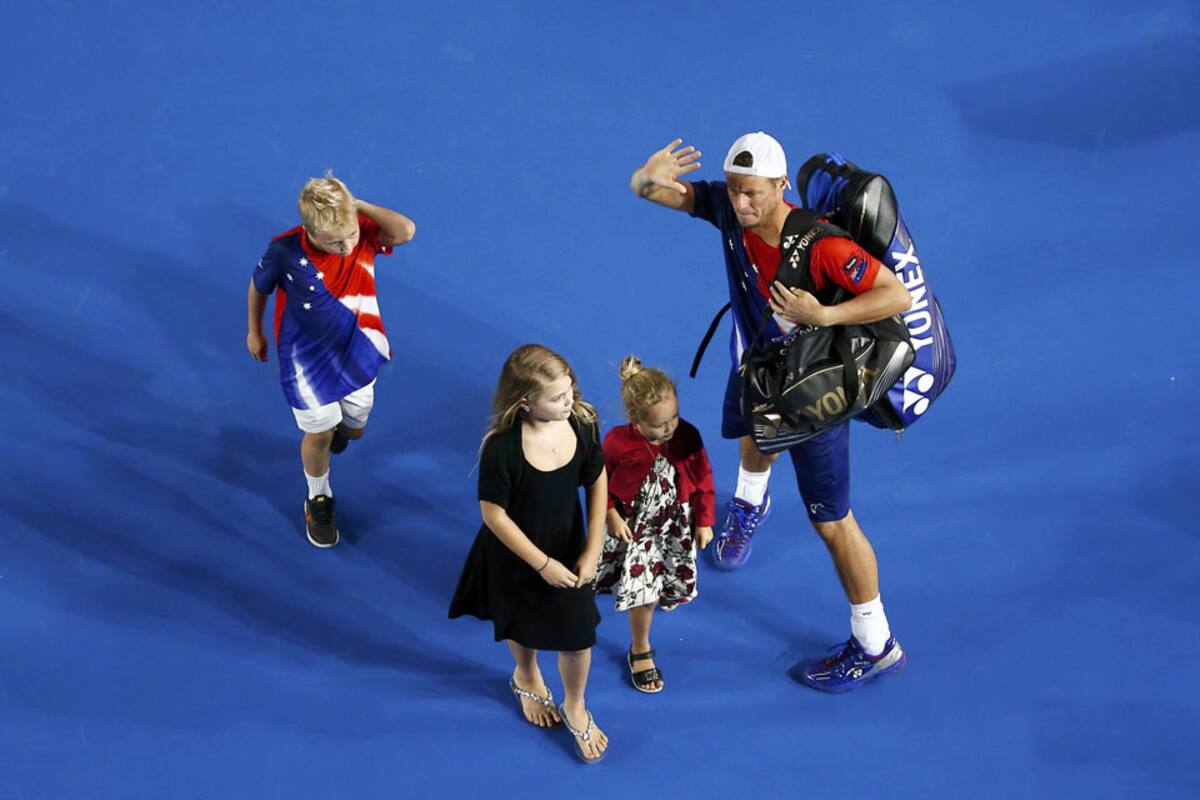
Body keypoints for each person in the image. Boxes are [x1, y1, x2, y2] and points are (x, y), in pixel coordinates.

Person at [628, 133, 913, 692]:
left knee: (832, 522)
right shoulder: (730, 210)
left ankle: (877, 643)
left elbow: (894, 294)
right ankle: (749, 506)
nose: (740, 205)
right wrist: (647, 175)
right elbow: (654, 193)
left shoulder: (824, 246)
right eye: (734, 191)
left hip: (813, 398)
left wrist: (823, 315)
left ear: (782, 187)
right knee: (755, 433)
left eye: (753, 194)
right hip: (761, 368)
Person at [449, 344, 610, 763]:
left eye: (570, 389)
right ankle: (526, 672)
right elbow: (494, 515)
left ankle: (574, 702)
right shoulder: (501, 448)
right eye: (557, 398)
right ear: (525, 402)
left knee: (577, 637)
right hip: (517, 554)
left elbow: (597, 480)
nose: (569, 401)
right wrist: (539, 563)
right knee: (520, 622)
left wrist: (593, 547)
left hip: (569, 548)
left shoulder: (582, 422)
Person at [246, 173, 416, 548]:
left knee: (353, 431)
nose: (347, 245)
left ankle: (336, 432)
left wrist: (357, 207)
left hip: (358, 351)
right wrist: (254, 331)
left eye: (352, 235)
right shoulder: (283, 251)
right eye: (335, 241)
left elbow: (405, 231)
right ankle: (318, 496)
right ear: (311, 230)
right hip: (305, 360)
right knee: (319, 433)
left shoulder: (363, 229)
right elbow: (258, 287)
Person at [596, 356, 715, 694]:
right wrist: (610, 514)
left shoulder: (687, 435)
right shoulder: (617, 442)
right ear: (634, 419)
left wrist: (704, 520)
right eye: (659, 425)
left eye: (674, 417)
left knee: (671, 576)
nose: (670, 428)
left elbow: (703, 478)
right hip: (636, 528)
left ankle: (663, 591)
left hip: (675, 523)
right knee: (644, 593)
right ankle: (640, 648)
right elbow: (598, 481)